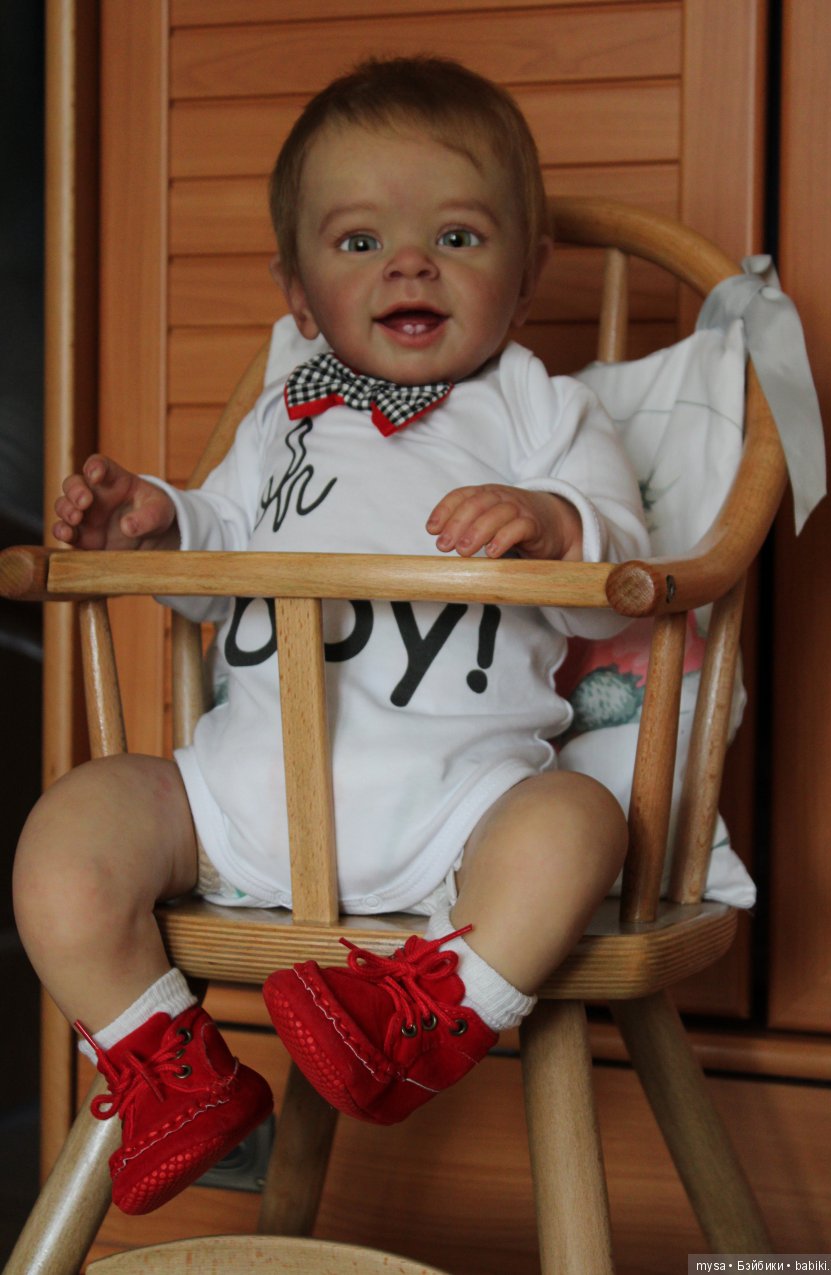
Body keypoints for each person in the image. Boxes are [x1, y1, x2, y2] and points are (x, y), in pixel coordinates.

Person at [13, 55, 649, 1212]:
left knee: (578, 823)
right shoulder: (282, 414)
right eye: (359, 241)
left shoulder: (541, 409)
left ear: (525, 278)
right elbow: (215, 570)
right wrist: (160, 526)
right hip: (237, 808)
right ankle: (171, 1068)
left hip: (459, 818)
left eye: (458, 236)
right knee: (65, 837)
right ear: (300, 296)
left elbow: (619, 581)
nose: (410, 263)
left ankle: (432, 1012)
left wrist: (554, 522)